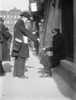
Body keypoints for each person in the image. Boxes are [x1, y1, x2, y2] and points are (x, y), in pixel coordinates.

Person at [12, 12, 38, 78]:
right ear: (24, 17)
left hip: (17, 44)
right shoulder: (21, 24)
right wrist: (35, 39)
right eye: (27, 19)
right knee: (22, 58)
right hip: (21, 44)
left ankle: (16, 73)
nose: (27, 21)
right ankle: (21, 74)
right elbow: (27, 32)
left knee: (18, 58)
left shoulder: (17, 24)